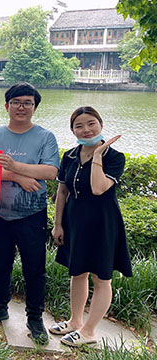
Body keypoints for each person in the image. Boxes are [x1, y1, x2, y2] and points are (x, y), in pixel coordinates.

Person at [0, 83, 59, 344]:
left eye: (27, 103)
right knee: (0, 263)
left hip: (32, 215)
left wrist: (13, 166)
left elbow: (50, 172)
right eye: (16, 102)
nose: (21, 107)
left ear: (34, 107)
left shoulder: (45, 137)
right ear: (7, 106)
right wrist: (18, 176)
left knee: (34, 268)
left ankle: (35, 318)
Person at [50, 106, 132, 347]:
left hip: (102, 223)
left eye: (91, 124)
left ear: (101, 125)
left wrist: (97, 156)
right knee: (77, 272)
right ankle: (75, 321)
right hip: (75, 221)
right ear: (72, 130)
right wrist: (57, 224)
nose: (86, 129)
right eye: (79, 126)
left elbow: (98, 188)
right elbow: (62, 191)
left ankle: (89, 331)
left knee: (101, 277)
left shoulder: (114, 157)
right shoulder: (70, 156)